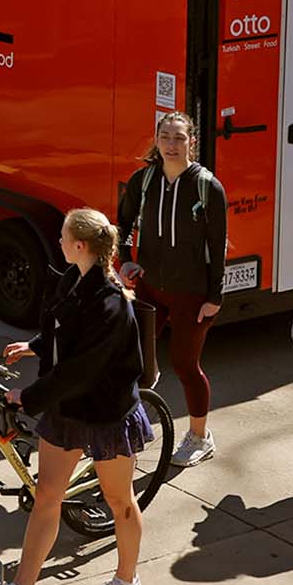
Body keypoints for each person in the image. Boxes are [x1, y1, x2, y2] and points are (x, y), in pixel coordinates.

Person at [0, 208, 151, 585]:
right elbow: (62, 329)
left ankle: (126, 581)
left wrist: (27, 397)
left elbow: (80, 370)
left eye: (64, 237)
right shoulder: (73, 279)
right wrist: (33, 346)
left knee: (119, 500)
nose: (59, 241)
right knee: (47, 495)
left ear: (80, 246)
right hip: (68, 409)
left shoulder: (111, 303)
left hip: (105, 414)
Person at [115, 112, 228, 466]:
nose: (171, 144)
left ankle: (199, 437)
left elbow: (218, 243)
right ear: (156, 139)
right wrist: (125, 261)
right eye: (165, 136)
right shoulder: (144, 180)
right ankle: (129, 428)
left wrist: (214, 297)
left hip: (191, 293)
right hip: (150, 288)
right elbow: (123, 222)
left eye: (179, 137)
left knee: (184, 364)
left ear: (191, 141)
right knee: (132, 361)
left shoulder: (207, 186)